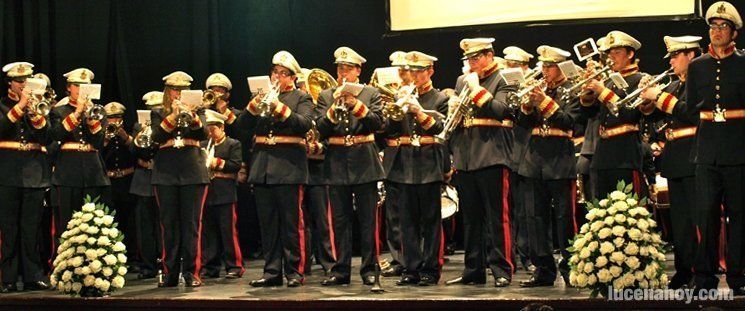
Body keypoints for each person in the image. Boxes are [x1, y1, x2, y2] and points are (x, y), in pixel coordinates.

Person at [445, 38, 517, 287]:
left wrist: (476, 91)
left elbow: (503, 111)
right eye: (469, 59)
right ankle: (473, 270)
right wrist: (454, 105)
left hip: (493, 156)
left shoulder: (505, 78)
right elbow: (456, 120)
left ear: (490, 55)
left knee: (498, 218)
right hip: (466, 158)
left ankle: (502, 269)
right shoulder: (462, 80)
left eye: (476, 58)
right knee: (471, 220)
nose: (471, 63)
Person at [684, 1, 745, 294]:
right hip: (706, 151)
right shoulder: (697, 66)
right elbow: (689, 106)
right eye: (713, 26)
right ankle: (704, 278)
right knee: (705, 216)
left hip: (739, 150)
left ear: (734, 33)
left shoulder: (743, 63)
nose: (717, 31)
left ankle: (738, 277)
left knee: (740, 216)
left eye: (723, 27)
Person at [314, 46, 385, 286]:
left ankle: (369, 269)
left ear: (357, 70)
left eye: (347, 69)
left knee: (368, 221)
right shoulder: (326, 95)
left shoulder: (371, 93)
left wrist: (356, 105)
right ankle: (340, 270)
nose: (343, 74)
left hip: (364, 160)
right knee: (340, 221)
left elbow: (378, 123)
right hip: (336, 162)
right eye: (340, 69)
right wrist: (334, 111)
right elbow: (319, 129)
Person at [241, 51, 313, 287]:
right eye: (275, 72)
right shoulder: (261, 98)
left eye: (283, 74)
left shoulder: (301, 97)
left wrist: (279, 107)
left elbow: (303, 125)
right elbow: (240, 128)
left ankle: (294, 272)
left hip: (289, 168)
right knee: (268, 225)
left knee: (291, 224)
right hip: (262, 168)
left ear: (292, 77)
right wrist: (253, 108)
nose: (278, 77)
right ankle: (272, 272)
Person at [638, 35, 702, 289]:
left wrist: (659, 96)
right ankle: (684, 269)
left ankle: (700, 269)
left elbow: (689, 113)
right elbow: (654, 117)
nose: (672, 61)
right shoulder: (674, 86)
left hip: (695, 156)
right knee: (680, 222)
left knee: (697, 220)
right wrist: (647, 98)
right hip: (675, 159)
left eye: (676, 55)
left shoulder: (700, 83)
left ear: (691, 56)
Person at [514, 46, 581, 287]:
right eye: (542, 66)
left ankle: (572, 269)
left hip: (560, 160)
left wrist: (544, 102)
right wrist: (527, 107)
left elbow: (569, 121)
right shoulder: (538, 88)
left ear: (561, 67)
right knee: (535, 219)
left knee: (565, 218)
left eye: (549, 66)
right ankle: (543, 270)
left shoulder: (573, 90)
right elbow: (521, 126)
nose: (544, 71)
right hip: (533, 161)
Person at [383, 51, 448, 286]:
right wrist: (396, 105)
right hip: (404, 166)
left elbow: (440, 128)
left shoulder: (439, 98)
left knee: (430, 222)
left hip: (429, 165)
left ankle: (430, 269)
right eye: (411, 72)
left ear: (430, 71)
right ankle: (410, 268)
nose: (414, 76)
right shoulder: (402, 94)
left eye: (419, 71)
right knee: (406, 222)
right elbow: (388, 129)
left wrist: (418, 111)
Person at [150, 71, 209, 288]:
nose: (179, 93)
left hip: (193, 171)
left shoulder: (200, 110)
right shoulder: (157, 112)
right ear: (168, 92)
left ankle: (192, 273)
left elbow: (203, 134)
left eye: (183, 90)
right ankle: (170, 274)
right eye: (175, 90)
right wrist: (173, 116)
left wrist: (191, 115)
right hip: (166, 173)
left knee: (192, 225)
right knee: (169, 226)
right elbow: (156, 137)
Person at [0, 62, 52, 292]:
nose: (24, 85)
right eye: (20, 81)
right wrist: (20, 106)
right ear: (10, 83)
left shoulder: (37, 105)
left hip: (34, 173)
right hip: (7, 172)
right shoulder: (2, 105)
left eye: (27, 81)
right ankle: (8, 278)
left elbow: (48, 136)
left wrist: (35, 114)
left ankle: (33, 275)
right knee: (9, 229)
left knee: (31, 228)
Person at [580, 31, 647, 198]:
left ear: (630, 54)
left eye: (617, 52)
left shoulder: (641, 79)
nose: (612, 57)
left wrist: (602, 91)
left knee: (628, 206)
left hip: (626, 154)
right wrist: (587, 93)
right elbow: (590, 113)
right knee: (602, 209)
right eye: (610, 53)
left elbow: (630, 114)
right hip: (602, 153)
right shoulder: (609, 81)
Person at [49, 68, 110, 246]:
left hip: (93, 172)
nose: (81, 89)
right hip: (68, 172)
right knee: (67, 222)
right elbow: (57, 134)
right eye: (77, 85)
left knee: (93, 223)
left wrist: (91, 118)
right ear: (69, 88)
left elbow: (99, 142)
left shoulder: (98, 111)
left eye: (85, 86)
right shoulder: (59, 111)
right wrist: (77, 114)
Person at [200, 109, 244, 280]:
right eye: (208, 129)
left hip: (225, 192)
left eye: (213, 129)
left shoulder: (233, 144)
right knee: (208, 232)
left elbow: (235, 165)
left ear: (222, 127)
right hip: (207, 193)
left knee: (228, 232)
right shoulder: (204, 145)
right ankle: (210, 266)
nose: (210, 132)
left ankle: (235, 266)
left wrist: (215, 163)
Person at [130, 91, 163, 279]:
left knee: (164, 224)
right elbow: (133, 151)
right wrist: (141, 134)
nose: (153, 112)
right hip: (143, 179)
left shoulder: (164, 126)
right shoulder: (138, 126)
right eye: (151, 109)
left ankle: (165, 262)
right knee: (145, 226)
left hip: (162, 175)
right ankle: (148, 265)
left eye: (156, 109)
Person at [101, 102, 138, 267]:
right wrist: (106, 139)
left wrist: (126, 138)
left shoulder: (130, 132)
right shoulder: (101, 134)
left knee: (129, 221)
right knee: (110, 220)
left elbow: (138, 152)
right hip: (109, 181)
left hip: (127, 180)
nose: (114, 121)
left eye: (117, 118)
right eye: (110, 118)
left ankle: (131, 257)